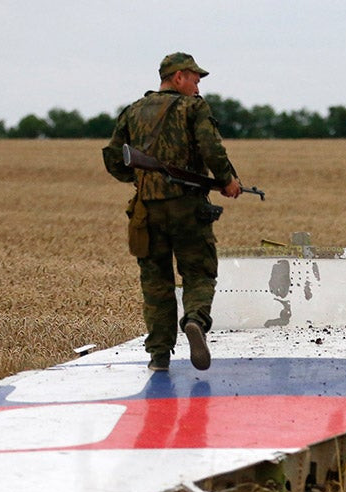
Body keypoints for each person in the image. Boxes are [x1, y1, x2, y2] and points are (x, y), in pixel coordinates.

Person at [103, 52, 242, 372]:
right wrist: (227, 181)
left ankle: (159, 356)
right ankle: (194, 320)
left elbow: (113, 158)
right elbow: (212, 148)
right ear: (178, 77)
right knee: (199, 272)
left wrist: (139, 179)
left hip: (146, 212)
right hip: (188, 207)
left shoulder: (132, 111)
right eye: (195, 79)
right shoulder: (194, 108)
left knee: (156, 283)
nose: (197, 86)